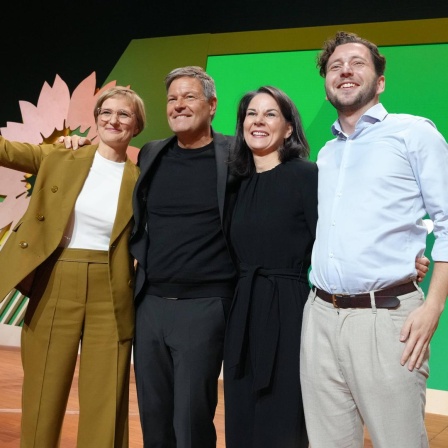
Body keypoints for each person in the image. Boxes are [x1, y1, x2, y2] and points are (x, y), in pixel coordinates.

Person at [300, 31, 448, 448]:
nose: (345, 70)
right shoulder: (325, 154)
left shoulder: (413, 135)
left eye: (357, 63)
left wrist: (434, 305)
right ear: (328, 83)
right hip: (320, 317)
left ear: (379, 81)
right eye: (335, 66)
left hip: (387, 319)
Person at [0, 86, 146, 448]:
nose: (113, 119)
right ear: (96, 119)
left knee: (105, 397)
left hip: (112, 287)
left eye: (123, 114)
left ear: (137, 126)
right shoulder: (61, 157)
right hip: (56, 278)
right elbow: (6, 150)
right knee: (42, 393)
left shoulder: (141, 179)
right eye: (106, 112)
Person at [129, 66, 237, 448]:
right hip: (151, 304)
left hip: (205, 305)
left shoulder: (236, 155)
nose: (178, 105)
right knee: (154, 418)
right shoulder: (152, 153)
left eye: (189, 97)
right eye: (173, 98)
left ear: (211, 105)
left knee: (191, 420)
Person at [223, 86, 316, 447]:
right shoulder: (234, 184)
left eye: (271, 114)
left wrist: (406, 259)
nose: (258, 121)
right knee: (242, 414)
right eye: (251, 114)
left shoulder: (307, 176)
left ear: (289, 128)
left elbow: (335, 240)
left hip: (289, 310)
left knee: (284, 417)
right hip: (243, 310)